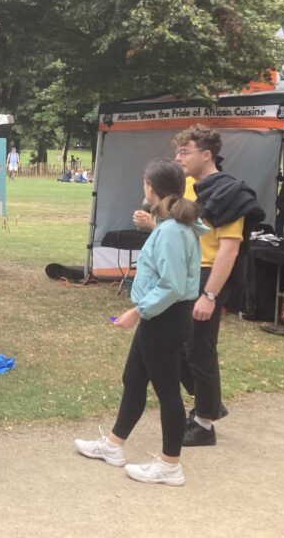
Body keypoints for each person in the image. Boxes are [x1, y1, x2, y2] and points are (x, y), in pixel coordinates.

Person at [75, 159, 203, 486]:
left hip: (165, 317)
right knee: (133, 378)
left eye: (144, 183)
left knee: (167, 391)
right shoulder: (169, 225)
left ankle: (170, 465)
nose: (142, 187)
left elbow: (172, 285)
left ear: (151, 187)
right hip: (158, 316)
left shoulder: (174, 230)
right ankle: (114, 446)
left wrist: (138, 311)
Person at [134, 124, 263, 446]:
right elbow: (179, 234)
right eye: (177, 151)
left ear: (206, 154)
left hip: (208, 277)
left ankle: (204, 424)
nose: (177, 158)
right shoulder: (186, 188)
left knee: (199, 351)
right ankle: (209, 403)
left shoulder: (231, 194)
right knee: (176, 348)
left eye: (184, 152)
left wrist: (210, 295)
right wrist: (153, 223)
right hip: (184, 273)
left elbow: (229, 249)